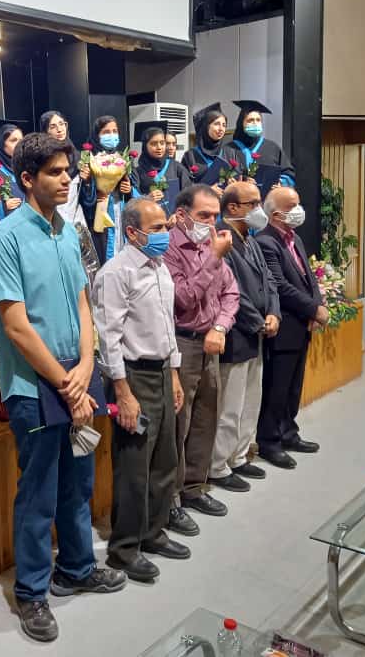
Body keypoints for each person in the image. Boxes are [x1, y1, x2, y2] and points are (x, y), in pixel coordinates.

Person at [0, 132, 126, 642]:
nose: (68, 179)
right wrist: (68, 383)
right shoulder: (3, 239)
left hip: (77, 375)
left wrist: (87, 363)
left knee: (79, 480)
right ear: (27, 179)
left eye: (68, 171)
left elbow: (85, 303)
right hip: (34, 383)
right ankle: (31, 592)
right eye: (55, 172)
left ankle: (78, 568)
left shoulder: (68, 232)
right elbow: (16, 326)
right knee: (39, 491)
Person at [93, 197, 187, 583]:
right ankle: (125, 549)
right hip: (133, 377)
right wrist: (123, 391)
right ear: (133, 232)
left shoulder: (159, 266)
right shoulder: (116, 273)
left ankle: (153, 532)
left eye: (166, 225)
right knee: (134, 468)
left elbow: (167, 325)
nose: (166, 233)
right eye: (158, 228)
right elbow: (108, 336)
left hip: (162, 372)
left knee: (165, 459)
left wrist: (174, 373)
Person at [162, 184, 239, 533]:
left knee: (206, 418)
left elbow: (231, 293)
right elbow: (184, 297)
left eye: (215, 216)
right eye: (203, 215)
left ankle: (194, 487)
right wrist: (214, 258)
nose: (211, 223)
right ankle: (171, 500)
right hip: (181, 343)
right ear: (181, 215)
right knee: (179, 424)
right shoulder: (168, 248)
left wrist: (220, 327)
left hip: (210, 342)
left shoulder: (211, 243)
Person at [208, 182, 280, 492]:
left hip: (258, 332)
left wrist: (274, 312)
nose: (259, 210)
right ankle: (218, 465)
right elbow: (231, 289)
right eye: (253, 204)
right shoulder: (223, 240)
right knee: (230, 405)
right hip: (237, 332)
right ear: (233, 208)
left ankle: (239, 456)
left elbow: (269, 280)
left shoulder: (250, 239)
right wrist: (258, 322)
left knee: (251, 399)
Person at [255, 187, 324, 469]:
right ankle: (269, 441)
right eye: (292, 205)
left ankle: (289, 432)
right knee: (277, 388)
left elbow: (309, 278)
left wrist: (316, 305)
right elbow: (280, 286)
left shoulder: (294, 237)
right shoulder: (265, 242)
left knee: (294, 387)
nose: (299, 210)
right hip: (284, 325)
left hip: (302, 323)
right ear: (276, 214)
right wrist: (313, 309)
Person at [79, 115, 137, 263]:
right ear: (97, 135)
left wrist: (128, 190)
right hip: (100, 214)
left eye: (114, 131)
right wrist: (89, 183)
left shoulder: (123, 158)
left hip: (120, 211)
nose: (111, 135)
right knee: (105, 254)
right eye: (106, 132)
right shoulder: (89, 160)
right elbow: (84, 198)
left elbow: (134, 190)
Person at [223, 99, 295, 187]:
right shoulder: (229, 149)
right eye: (250, 120)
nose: (255, 123)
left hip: (269, 195)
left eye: (258, 120)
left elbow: (289, 174)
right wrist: (228, 181)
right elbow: (220, 178)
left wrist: (280, 183)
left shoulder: (273, 148)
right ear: (241, 123)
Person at [132, 121, 190, 210]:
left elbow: (188, 195)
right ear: (145, 146)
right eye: (153, 144)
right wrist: (146, 199)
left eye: (162, 143)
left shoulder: (176, 167)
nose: (159, 147)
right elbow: (132, 202)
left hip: (175, 216)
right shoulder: (138, 172)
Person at [182, 103, 232, 192]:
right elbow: (185, 188)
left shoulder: (228, 152)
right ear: (206, 126)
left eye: (224, 125)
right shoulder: (190, 156)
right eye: (217, 124)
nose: (221, 129)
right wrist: (208, 190)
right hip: (201, 200)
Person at [0, 119, 26, 221]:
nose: (19, 144)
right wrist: (3, 207)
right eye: (13, 140)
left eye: (21, 140)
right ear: (1, 144)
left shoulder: (26, 168)